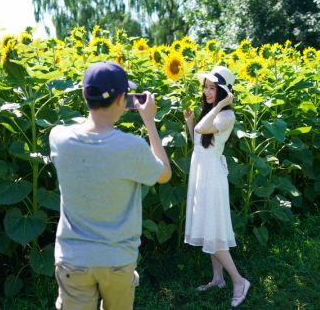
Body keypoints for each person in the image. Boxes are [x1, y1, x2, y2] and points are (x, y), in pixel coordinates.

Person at [49, 61, 171, 310]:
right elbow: (164, 174)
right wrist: (149, 121)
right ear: (122, 100)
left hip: (73, 259)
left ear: (85, 95)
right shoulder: (131, 147)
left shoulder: (58, 138)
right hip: (117, 260)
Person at [183, 66, 250, 308]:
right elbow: (199, 143)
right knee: (210, 225)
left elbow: (204, 130)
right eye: (206, 87)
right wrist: (190, 123)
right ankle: (218, 278)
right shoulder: (210, 113)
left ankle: (239, 281)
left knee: (214, 231)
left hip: (212, 176)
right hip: (203, 172)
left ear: (223, 92)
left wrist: (221, 106)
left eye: (212, 88)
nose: (206, 92)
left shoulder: (225, 115)